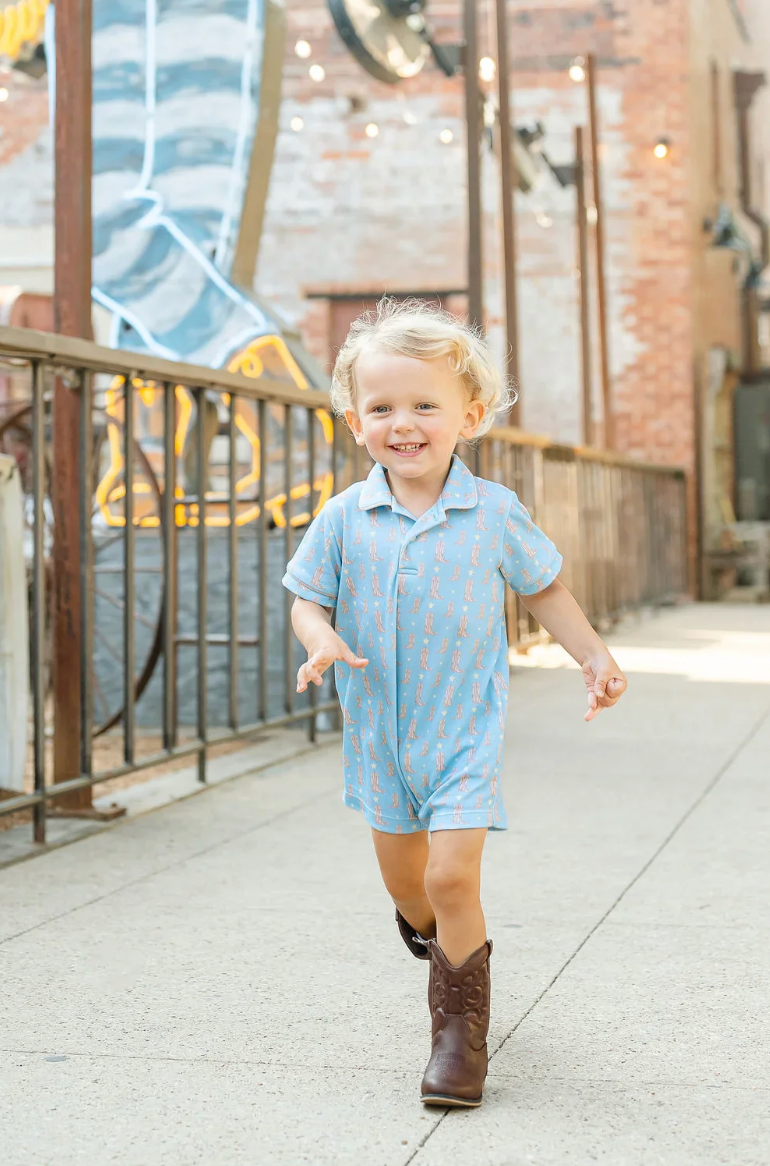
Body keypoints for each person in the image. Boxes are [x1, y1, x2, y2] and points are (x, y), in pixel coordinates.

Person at [282, 298, 627, 1108]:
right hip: (378, 741)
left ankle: (458, 1038)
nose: (404, 424)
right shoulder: (343, 518)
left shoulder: (493, 513)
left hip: (462, 735)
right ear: (354, 421)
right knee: (411, 892)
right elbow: (305, 598)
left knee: (449, 879)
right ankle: (448, 948)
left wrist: (594, 653)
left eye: (425, 405)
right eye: (383, 408)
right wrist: (319, 637)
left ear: (468, 416)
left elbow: (544, 585)